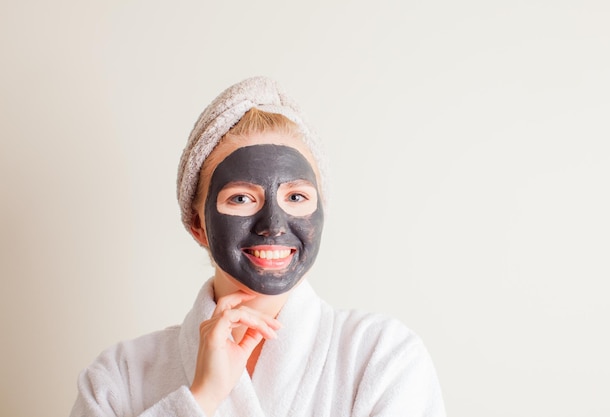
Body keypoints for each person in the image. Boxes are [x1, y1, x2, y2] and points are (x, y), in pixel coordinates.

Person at [70, 76, 446, 417]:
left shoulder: (382, 357)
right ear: (197, 224)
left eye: (296, 197)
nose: (273, 225)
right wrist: (200, 398)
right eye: (240, 199)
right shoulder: (118, 377)